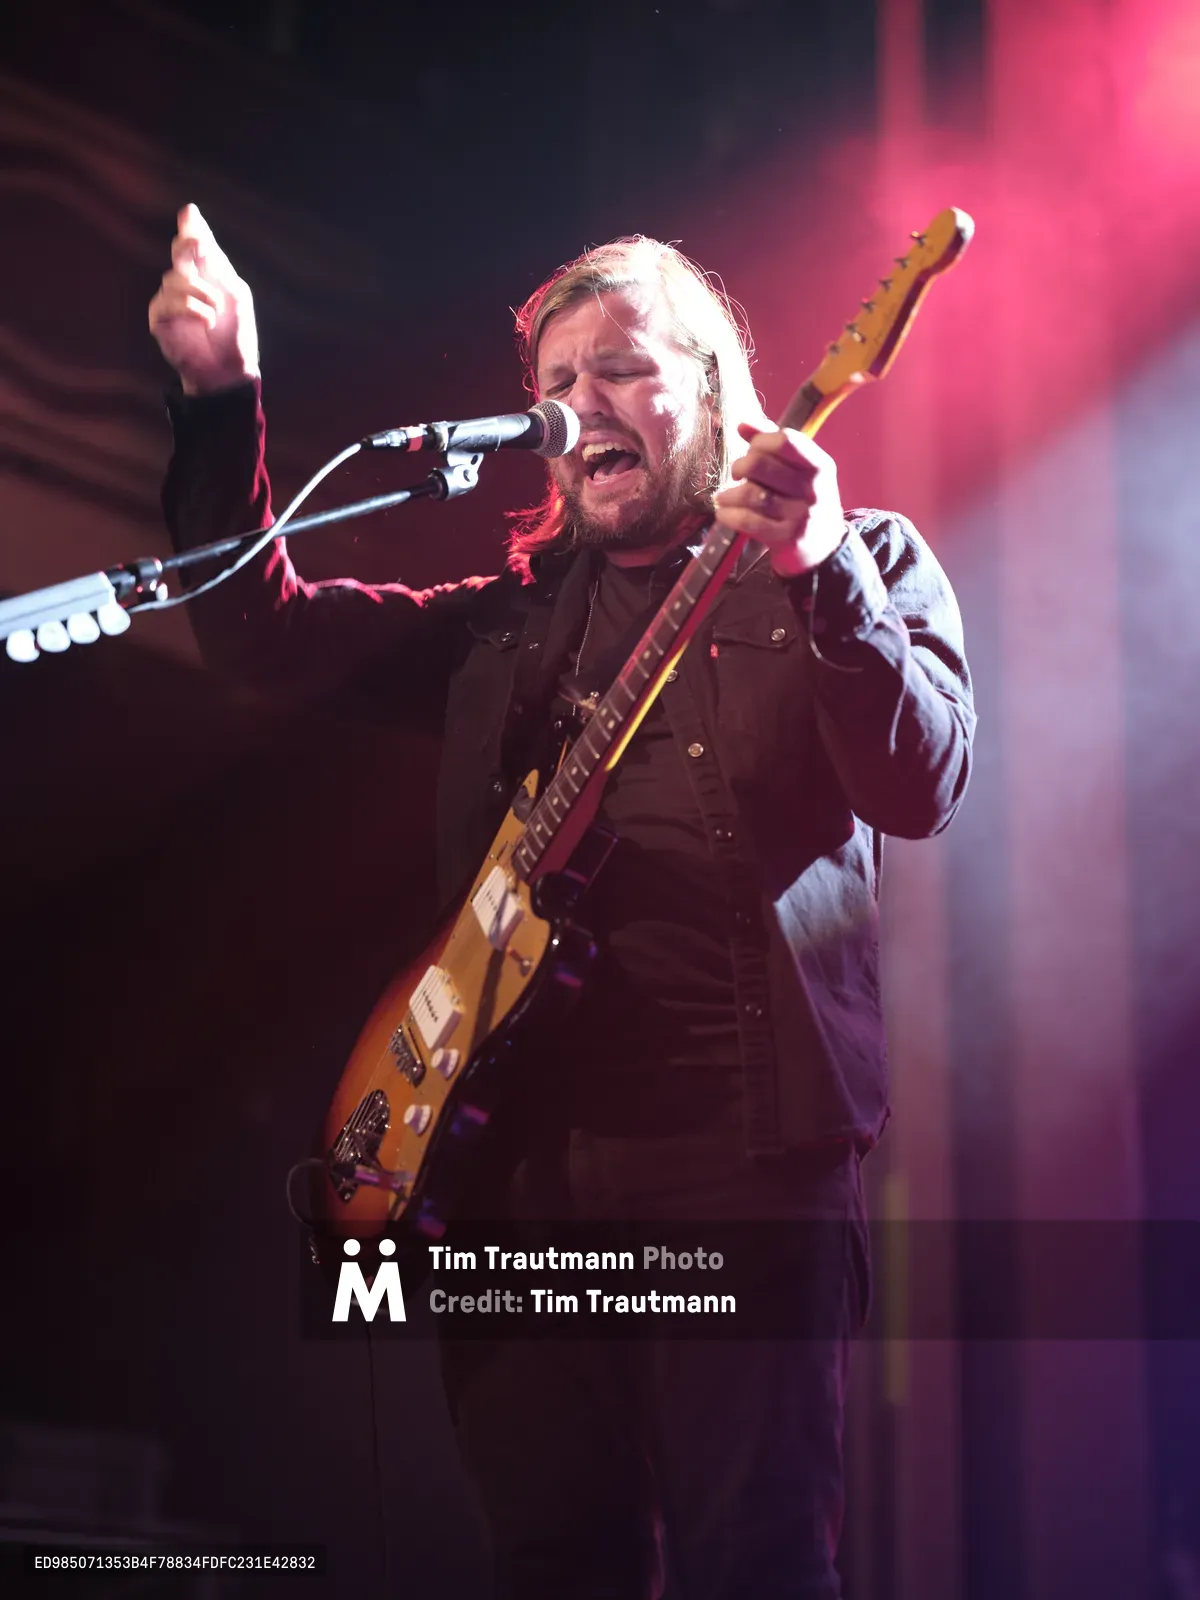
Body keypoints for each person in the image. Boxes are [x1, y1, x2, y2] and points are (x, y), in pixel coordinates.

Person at [150, 203, 974, 1600]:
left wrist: (818, 567)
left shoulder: (857, 561)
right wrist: (221, 403)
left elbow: (921, 784)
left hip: (743, 1167)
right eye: (552, 387)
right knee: (549, 1562)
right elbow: (255, 629)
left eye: (619, 372)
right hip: (510, 1172)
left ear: (711, 386)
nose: (576, 407)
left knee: (753, 1562)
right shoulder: (509, 626)